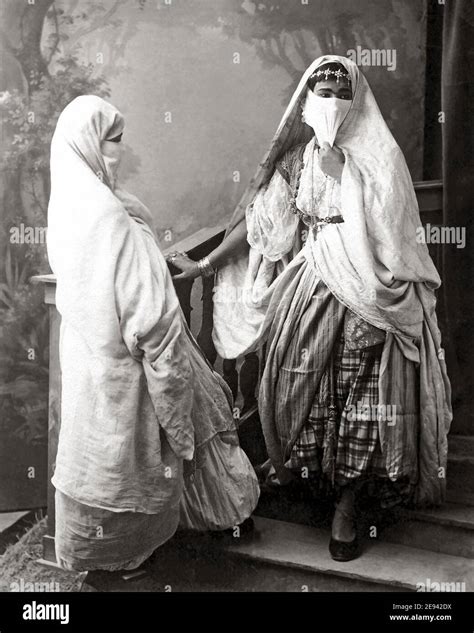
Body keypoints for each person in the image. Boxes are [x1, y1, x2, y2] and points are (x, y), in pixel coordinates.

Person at [168, 55, 452, 562]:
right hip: (312, 283)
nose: (330, 102)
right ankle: (317, 486)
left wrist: (348, 177)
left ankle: (348, 507)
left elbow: (396, 231)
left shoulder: (378, 156)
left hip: (371, 289)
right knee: (297, 387)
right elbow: (258, 226)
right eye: (320, 93)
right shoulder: (295, 160)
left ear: (356, 100)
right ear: (306, 99)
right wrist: (206, 264)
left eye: (340, 93)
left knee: (365, 396)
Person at [47, 95, 259, 572]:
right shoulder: (109, 219)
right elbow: (152, 321)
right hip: (126, 365)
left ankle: (109, 560)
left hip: (90, 366)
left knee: (103, 461)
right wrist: (172, 393)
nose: (120, 152)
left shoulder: (69, 209)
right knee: (142, 460)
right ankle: (137, 560)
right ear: (89, 146)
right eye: (113, 141)